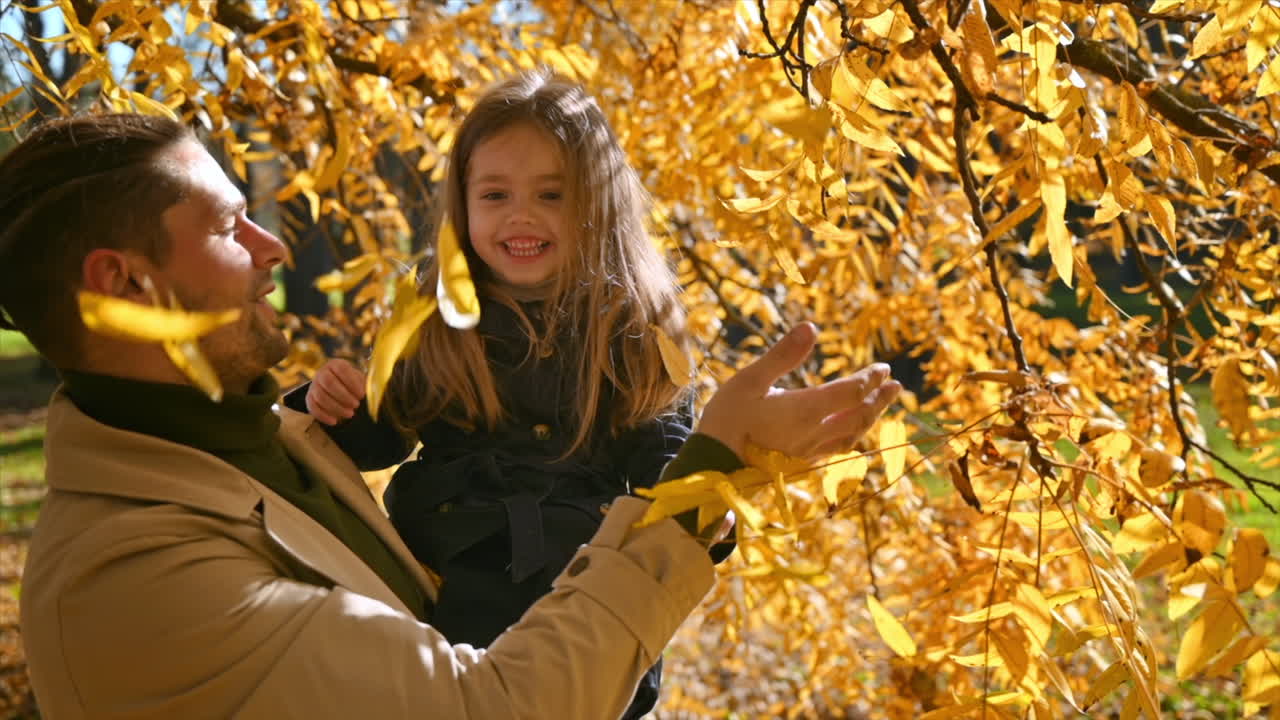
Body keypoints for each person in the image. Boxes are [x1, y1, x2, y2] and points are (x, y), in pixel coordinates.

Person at [0, 111, 901, 719]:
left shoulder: (242, 440)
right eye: (233, 228)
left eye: (555, 193)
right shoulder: (139, 582)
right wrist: (717, 464)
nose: (275, 246)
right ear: (126, 285)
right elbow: (493, 706)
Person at [291, 69, 714, 718]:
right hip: (445, 570)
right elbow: (382, 434)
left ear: (597, 203)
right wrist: (336, 404)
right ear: (463, 204)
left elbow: (660, 446)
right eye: (495, 194)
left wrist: (706, 497)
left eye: (552, 194)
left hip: (577, 581)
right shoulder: (433, 309)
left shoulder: (633, 320)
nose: (522, 216)